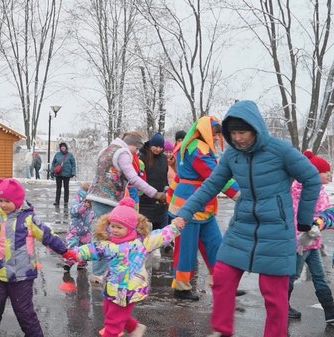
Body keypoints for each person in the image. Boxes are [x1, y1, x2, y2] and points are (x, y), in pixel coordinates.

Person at [172, 100, 322, 337]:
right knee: (222, 276)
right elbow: (211, 184)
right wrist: (185, 213)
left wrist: (303, 220)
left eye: (242, 132)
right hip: (242, 226)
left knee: (273, 294)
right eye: (233, 133)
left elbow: (312, 178)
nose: (238, 138)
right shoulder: (233, 155)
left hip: (276, 229)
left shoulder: (280, 151)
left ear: (255, 128)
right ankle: (222, 331)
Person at [0, 177, 78, 337]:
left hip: (22, 276)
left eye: (7, 201)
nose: (3, 205)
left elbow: (48, 236)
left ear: (18, 201)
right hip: (1, 275)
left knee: (25, 313)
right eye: (0, 200)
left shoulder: (29, 219)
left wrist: (65, 251)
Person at [73, 198, 184, 337]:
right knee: (108, 310)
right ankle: (134, 327)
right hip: (112, 287)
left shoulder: (141, 243)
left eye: (120, 227)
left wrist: (174, 227)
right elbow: (92, 249)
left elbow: (160, 236)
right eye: (112, 226)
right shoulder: (108, 244)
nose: (115, 230)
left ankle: (112, 333)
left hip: (129, 288)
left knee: (114, 321)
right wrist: (75, 253)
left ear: (131, 227)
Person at [167, 116, 240, 301]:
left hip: (200, 203)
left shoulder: (191, 146)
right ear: (206, 132)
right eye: (214, 134)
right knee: (186, 248)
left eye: (217, 135)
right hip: (190, 205)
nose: (216, 138)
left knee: (216, 245)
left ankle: (223, 282)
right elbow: (217, 176)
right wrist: (240, 195)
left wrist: (170, 197)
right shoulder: (197, 148)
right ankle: (181, 287)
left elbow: (179, 177)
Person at [86, 132, 166, 284]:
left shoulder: (107, 150)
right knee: (106, 236)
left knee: (102, 233)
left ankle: (100, 271)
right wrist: (155, 194)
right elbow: (134, 178)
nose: (136, 153)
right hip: (107, 199)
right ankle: (98, 273)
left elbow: (98, 175)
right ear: (133, 145)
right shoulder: (122, 153)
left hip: (96, 196)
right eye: (136, 149)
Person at [288, 151, 334, 323]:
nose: (329, 175)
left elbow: (327, 214)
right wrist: (307, 232)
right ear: (314, 173)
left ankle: (330, 313)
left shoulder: (319, 191)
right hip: (301, 243)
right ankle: (281, 305)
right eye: (326, 172)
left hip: (314, 242)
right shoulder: (302, 191)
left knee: (319, 277)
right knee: (293, 275)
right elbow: (296, 216)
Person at [138, 133, 169, 231]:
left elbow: (165, 177)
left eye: (160, 147)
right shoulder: (142, 157)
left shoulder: (164, 158)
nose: (158, 149)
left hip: (161, 203)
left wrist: (167, 189)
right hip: (145, 203)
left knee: (162, 236)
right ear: (151, 145)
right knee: (146, 235)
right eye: (155, 146)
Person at [63, 182, 95, 271]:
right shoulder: (77, 203)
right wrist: (84, 206)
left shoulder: (92, 206)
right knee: (71, 245)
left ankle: (82, 262)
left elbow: (93, 215)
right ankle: (69, 262)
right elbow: (73, 211)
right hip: (75, 230)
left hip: (86, 232)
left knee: (84, 248)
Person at [51, 142, 77, 206]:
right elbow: (53, 163)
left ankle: (66, 201)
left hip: (67, 174)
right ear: (60, 148)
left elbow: (73, 164)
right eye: (61, 147)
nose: (63, 147)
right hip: (58, 174)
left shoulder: (70, 155)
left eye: (64, 146)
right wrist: (52, 171)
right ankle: (57, 201)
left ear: (66, 147)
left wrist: (73, 172)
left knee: (66, 188)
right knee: (58, 188)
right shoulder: (57, 154)